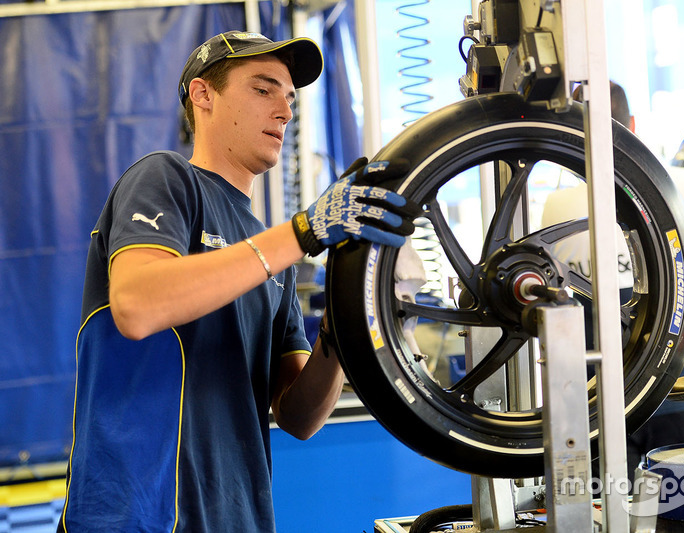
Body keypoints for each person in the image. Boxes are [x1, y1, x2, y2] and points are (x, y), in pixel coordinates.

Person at [58, 31, 418, 532]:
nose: (285, 113)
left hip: (238, 517)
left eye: (289, 98)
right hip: (138, 515)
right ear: (203, 95)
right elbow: (137, 305)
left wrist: (343, 323)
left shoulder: (273, 251)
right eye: (263, 89)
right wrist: (302, 231)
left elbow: (298, 416)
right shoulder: (165, 180)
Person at [540, 80, 684, 483]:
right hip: (678, 389)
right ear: (631, 123)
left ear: (572, 130)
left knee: (607, 515)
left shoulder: (557, 207)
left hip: (597, 400)